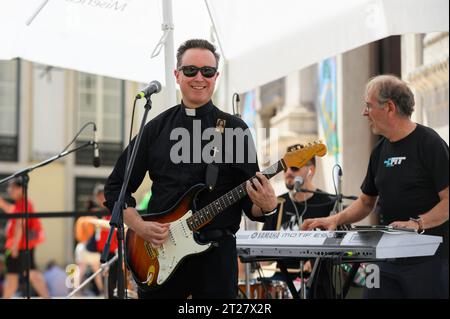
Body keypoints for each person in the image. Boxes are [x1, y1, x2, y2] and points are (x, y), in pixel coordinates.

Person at [104, 39, 277, 299]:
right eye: (190, 70)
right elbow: (116, 187)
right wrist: (139, 226)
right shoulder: (156, 128)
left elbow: (250, 206)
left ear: (216, 76)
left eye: (207, 71)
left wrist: (267, 205)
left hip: (216, 258)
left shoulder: (234, 130)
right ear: (177, 75)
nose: (199, 77)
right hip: (159, 253)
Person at [302, 74, 449, 299]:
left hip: (429, 261)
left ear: (389, 107)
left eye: (368, 106)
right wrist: (334, 220)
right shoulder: (379, 151)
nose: (364, 112)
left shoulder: (430, 143)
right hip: (384, 259)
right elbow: (366, 202)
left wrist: (417, 223)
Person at [262, 151, 336, 298]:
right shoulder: (276, 204)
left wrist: (316, 261)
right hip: (280, 281)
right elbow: (264, 257)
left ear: (311, 170)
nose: (288, 172)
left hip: (317, 282)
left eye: (294, 168)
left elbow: (339, 250)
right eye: (285, 169)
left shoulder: (330, 203)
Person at [0, 178, 49, 298]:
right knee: (16, 276)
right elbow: (10, 210)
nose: (9, 190)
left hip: (20, 247)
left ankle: (47, 297)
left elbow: (19, 226)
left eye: (12, 187)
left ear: (21, 189)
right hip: (19, 247)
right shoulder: (20, 203)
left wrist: (15, 248)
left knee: (30, 274)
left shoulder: (23, 203)